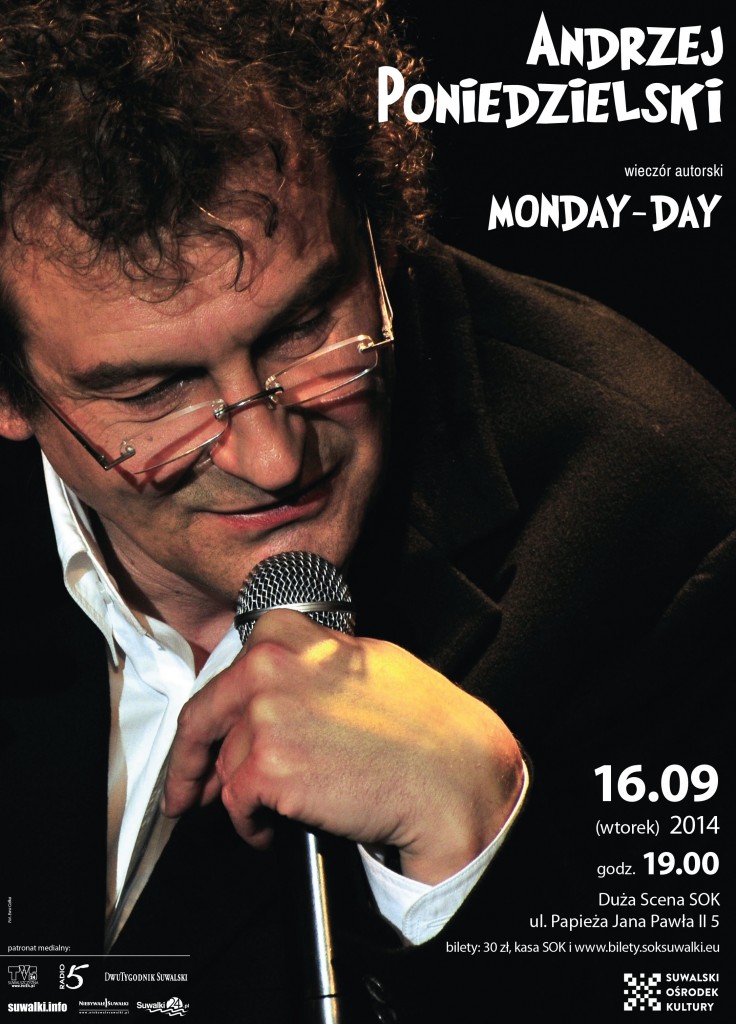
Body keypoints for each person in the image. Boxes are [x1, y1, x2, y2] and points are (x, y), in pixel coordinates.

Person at [1, 2, 733, 1021]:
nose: (272, 459)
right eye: (155, 392)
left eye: (306, 327)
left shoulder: (659, 520)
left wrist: (479, 856)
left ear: (379, 238)